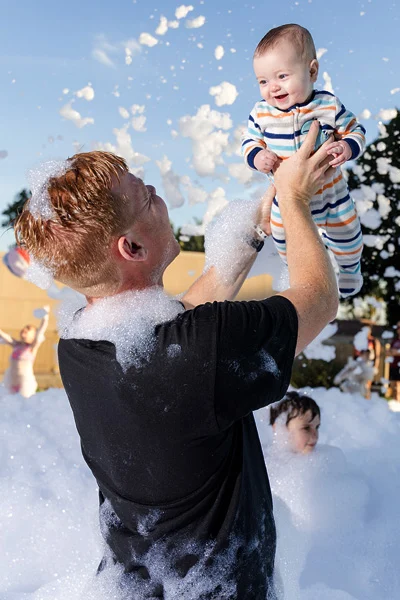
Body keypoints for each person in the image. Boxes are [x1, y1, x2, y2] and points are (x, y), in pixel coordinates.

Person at [14, 121, 338, 599]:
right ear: (133, 247)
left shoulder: (82, 345)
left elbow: (180, 325)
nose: (159, 197)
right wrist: (295, 201)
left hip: (137, 583)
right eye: (147, 197)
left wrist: (250, 231)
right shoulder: (200, 348)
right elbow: (318, 300)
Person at [242, 23, 365, 298]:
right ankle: (296, 276)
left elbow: (356, 130)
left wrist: (347, 145)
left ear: (312, 71)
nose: (272, 88)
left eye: (282, 76)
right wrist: (258, 156)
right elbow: (249, 142)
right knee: (285, 241)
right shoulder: (261, 113)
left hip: (331, 193)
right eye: (263, 81)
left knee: (348, 234)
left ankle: (349, 269)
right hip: (286, 199)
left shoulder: (328, 105)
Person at [0, 306, 50, 397]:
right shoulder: (16, 345)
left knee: (22, 405)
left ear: (34, 336)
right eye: (24, 328)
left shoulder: (32, 347)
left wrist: (45, 317)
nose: (25, 329)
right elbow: (5, 336)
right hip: (10, 381)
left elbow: (41, 331)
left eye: (28, 329)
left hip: (25, 383)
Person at [388, 321, 400, 402]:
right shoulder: (395, 340)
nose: (398, 329)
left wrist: (396, 352)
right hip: (393, 366)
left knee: (398, 389)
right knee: (393, 388)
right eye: (397, 327)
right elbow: (389, 352)